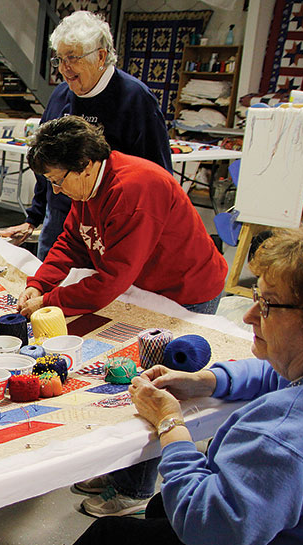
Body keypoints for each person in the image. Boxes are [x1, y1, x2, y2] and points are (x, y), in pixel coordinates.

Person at [0, 226, 303, 545]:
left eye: (270, 304)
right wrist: (203, 381)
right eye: (256, 296)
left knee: (110, 542)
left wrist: (170, 422)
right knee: (160, 509)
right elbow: (276, 373)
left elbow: (204, 523)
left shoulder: (288, 435)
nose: (250, 315)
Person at [17, 115, 226, 516]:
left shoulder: (134, 189)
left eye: (58, 181)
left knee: (156, 384)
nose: (55, 190)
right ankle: (120, 471)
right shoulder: (88, 188)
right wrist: (40, 283)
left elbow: (111, 280)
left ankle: (136, 488)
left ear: (87, 165)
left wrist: (52, 301)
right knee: (129, 378)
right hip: (147, 289)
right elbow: (73, 240)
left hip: (186, 291)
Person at [0, 11, 171, 261]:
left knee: (100, 292)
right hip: (60, 218)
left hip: (110, 223)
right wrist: (34, 217)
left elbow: (159, 177)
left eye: (73, 58)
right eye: (60, 59)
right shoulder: (60, 96)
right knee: (48, 286)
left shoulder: (136, 100)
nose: (64, 69)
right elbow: (45, 164)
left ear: (101, 56)